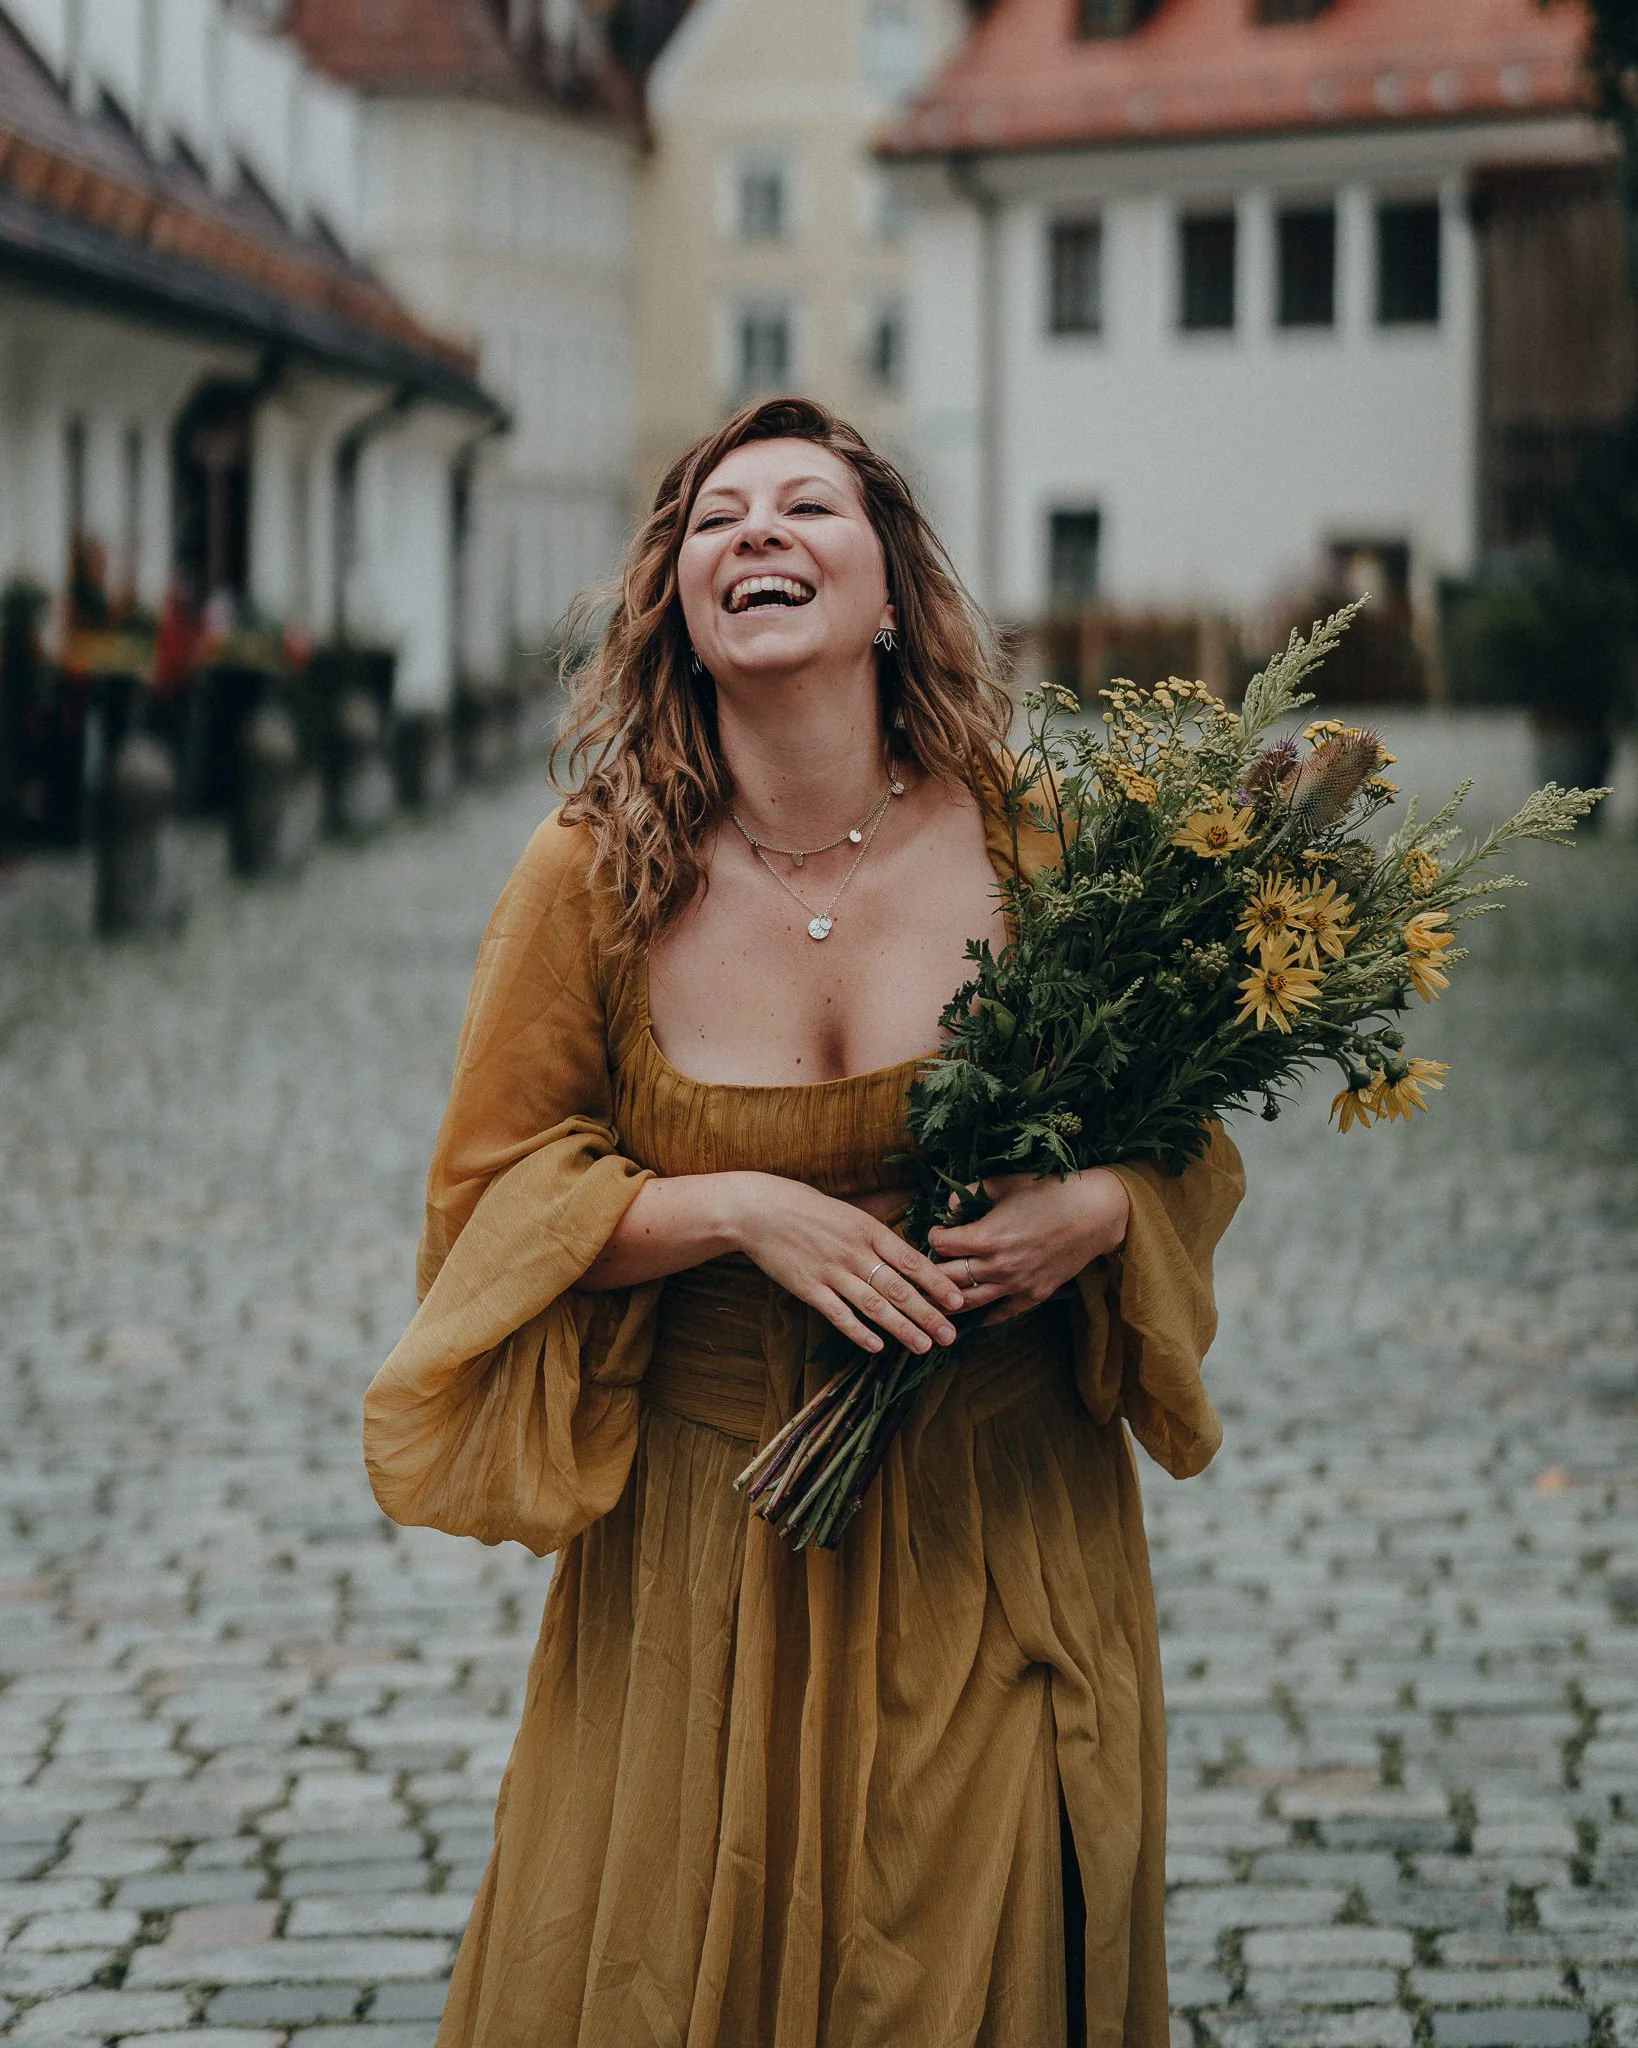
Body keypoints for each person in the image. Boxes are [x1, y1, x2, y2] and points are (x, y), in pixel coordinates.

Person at [365, 396, 1244, 2048]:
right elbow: (490, 1204)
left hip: (1004, 1522)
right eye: (714, 520)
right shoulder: (589, 879)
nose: (755, 531)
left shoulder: (1034, 846)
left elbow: (1185, 1127)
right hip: (707, 1548)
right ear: (678, 610)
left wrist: (1105, 1205)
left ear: (890, 586)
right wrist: (731, 1210)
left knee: (974, 1975)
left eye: (804, 506)